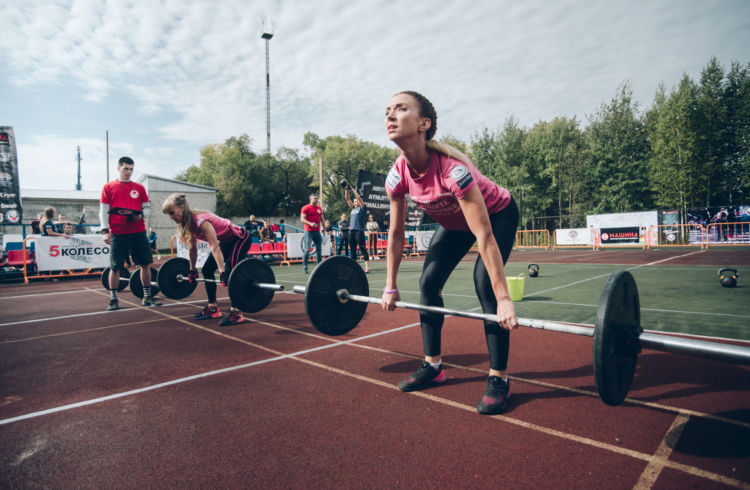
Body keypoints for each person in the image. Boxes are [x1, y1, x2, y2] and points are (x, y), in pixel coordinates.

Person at [381, 91, 519, 415]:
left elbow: (484, 235)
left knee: (484, 283)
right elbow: (396, 234)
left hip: (497, 215)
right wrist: (390, 284)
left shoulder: (452, 170)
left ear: (423, 124)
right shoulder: (397, 175)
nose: (390, 115)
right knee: (428, 282)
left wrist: (504, 298)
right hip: (455, 224)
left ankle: (499, 378)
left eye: (401, 109)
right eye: (387, 110)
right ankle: (433, 366)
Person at [162, 193, 252, 326]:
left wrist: (222, 271)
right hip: (227, 241)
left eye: (171, 212)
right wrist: (192, 270)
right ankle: (213, 307)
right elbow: (192, 248)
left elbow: (215, 247)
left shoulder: (200, 221)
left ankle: (236, 312)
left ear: (182, 207)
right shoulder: (187, 224)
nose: (170, 217)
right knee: (207, 269)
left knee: (231, 271)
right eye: (168, 214)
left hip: (240, 237)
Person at [100, 156, 161, 311]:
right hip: (118, 233)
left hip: (138, 231)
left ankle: (146, 297)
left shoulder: (139, 187)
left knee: (145, 264)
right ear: (118, 168)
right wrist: (105, 231)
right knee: (115, 267)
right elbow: (103, 211)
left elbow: (147, 208)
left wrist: (141, 214)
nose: (129, 172)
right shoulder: (108, 187)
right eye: (126, 168)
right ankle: (113, 300)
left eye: (131, 169)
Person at [345, 185, 371, 273]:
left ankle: (367, 268)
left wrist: (352, 189)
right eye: (354, 201)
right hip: (351, 232)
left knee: (362, 249)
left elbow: (358, 197)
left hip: (359, 231)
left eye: (357, 201)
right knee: (352, 251)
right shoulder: (353, 209)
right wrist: (346, 191)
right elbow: (348, 199)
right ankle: (353, 268)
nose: (355, 202)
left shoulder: (363, 208)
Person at [300, 193, 324, 274]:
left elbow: (322, 218)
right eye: (315, 198)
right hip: (308, 231)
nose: (316, 200)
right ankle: (305, 267)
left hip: (317, 231)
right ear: (311, 199)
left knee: (319, 249)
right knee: (307, 249)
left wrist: (324, 227)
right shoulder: (306, 208)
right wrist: (310, 223)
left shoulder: (319, 208)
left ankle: (319, 266)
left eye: (317, 198)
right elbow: (302, 219)